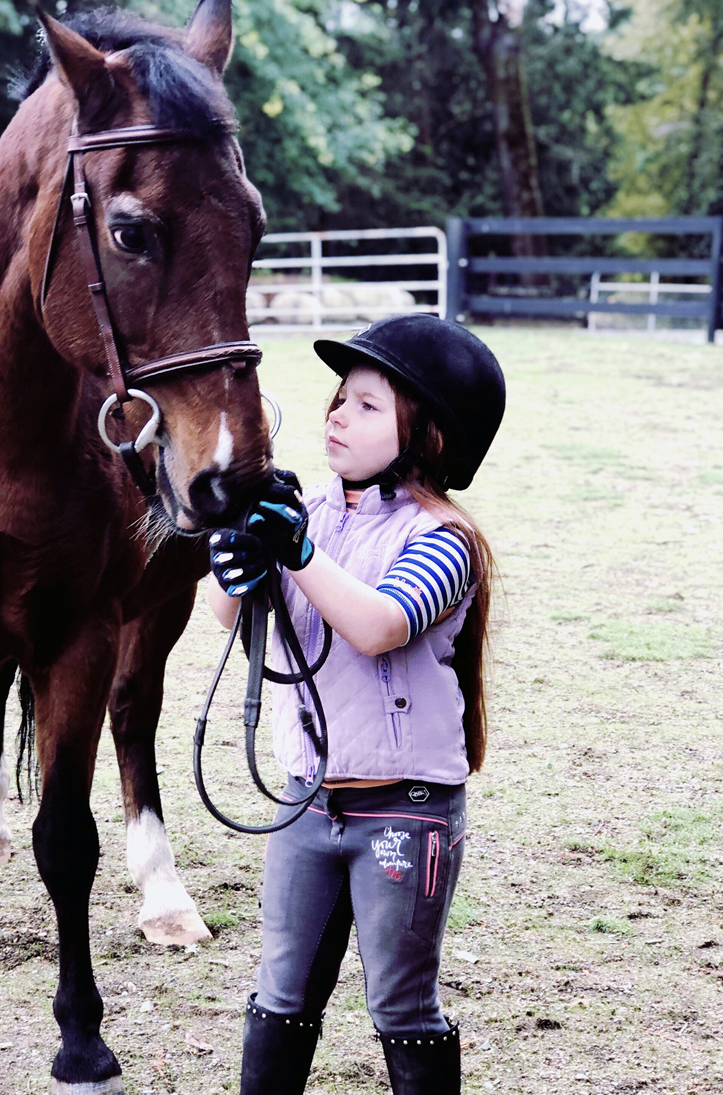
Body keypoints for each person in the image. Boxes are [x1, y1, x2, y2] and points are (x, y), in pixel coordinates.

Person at [205, 315, 505, 1095]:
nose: (337, 414)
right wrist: (237, 563)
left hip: (405, 813)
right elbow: (230, 613)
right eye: (340, 398)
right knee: (280, 996)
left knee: (402, 1005)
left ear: (430, 436)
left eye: (366, 405)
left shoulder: (444, 540)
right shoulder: (307, 506)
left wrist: (298, 552)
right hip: (306, 808)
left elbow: (377, 625)